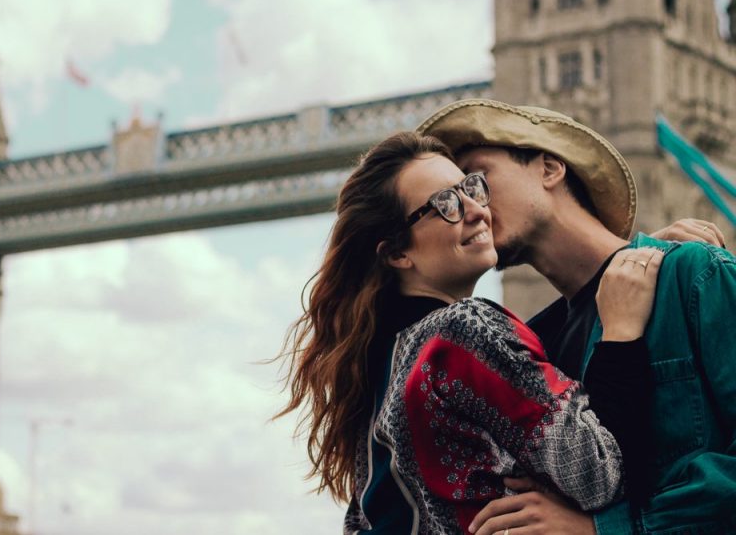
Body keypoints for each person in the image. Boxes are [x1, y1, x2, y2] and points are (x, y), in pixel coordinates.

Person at [275, 131, 661, 534]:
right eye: (446, 204)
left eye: (472, 188)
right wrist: (620, 335)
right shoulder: (464, 331)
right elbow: (600, 474)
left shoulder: (375, 373)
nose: (476, 210)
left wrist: (647, 251)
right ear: (397, 253)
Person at [420, 99, 735, 535]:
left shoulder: (693, 275)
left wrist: (601, 528)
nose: (474, 207)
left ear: (550, 168)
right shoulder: (530, 348)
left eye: (478, 179)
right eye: (459, 195)